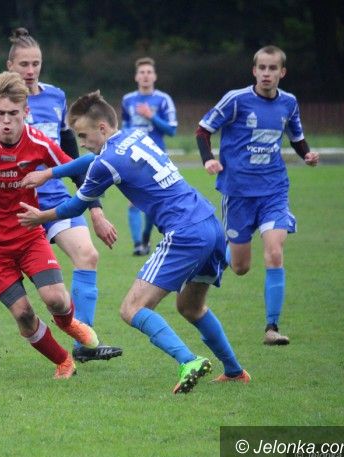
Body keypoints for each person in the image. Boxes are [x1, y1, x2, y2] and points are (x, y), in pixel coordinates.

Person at [19, 91, 250, 393]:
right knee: (191, 307)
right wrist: (50, 173)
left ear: (102, 128)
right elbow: (89, 160)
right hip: (209, 224)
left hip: (185, 232)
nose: (82, 142)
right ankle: (234, 371)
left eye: (84, 135)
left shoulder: (107, 162)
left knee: (132, 308)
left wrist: (40, 217)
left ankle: (189, 360)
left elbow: (75, 206)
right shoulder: (133, 135)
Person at [0, 27, 123, 364]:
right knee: (6, 272)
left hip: (57, 198)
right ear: (10, 66)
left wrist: (95, 208)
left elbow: (69, 151)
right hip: (20, 204)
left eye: (36, 63)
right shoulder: (2, 108)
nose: (30, 70)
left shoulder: (56, 97)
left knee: (87, 256)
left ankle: (83, 343)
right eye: (23, 64)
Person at [196, 45, 319, 345]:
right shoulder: (236, 100)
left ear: (282, 72)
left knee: (274, 252)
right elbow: (203, 130)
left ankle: (271, 328)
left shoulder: (289, 102)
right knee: (240, 267)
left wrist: (306, 154)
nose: (266, 73)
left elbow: (296, 136)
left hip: (274, 189)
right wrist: (208, 159)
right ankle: (213, 259)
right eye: (261, 68)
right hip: (238, 193)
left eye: (272, 68)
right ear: (254, 71)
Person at [121, 57, 178, 256]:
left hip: (157, 158)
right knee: (133, 201)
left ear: (155, 76)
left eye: (149, 72)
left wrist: (151, 116)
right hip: (134, 158)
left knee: (153, 202)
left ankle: (145, 237)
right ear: (136, 77)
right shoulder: (128, 100)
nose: (145, 76)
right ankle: (138, 244)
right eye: (142, 72)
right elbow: (125, 127)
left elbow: (172, 130)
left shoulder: (163, 99)